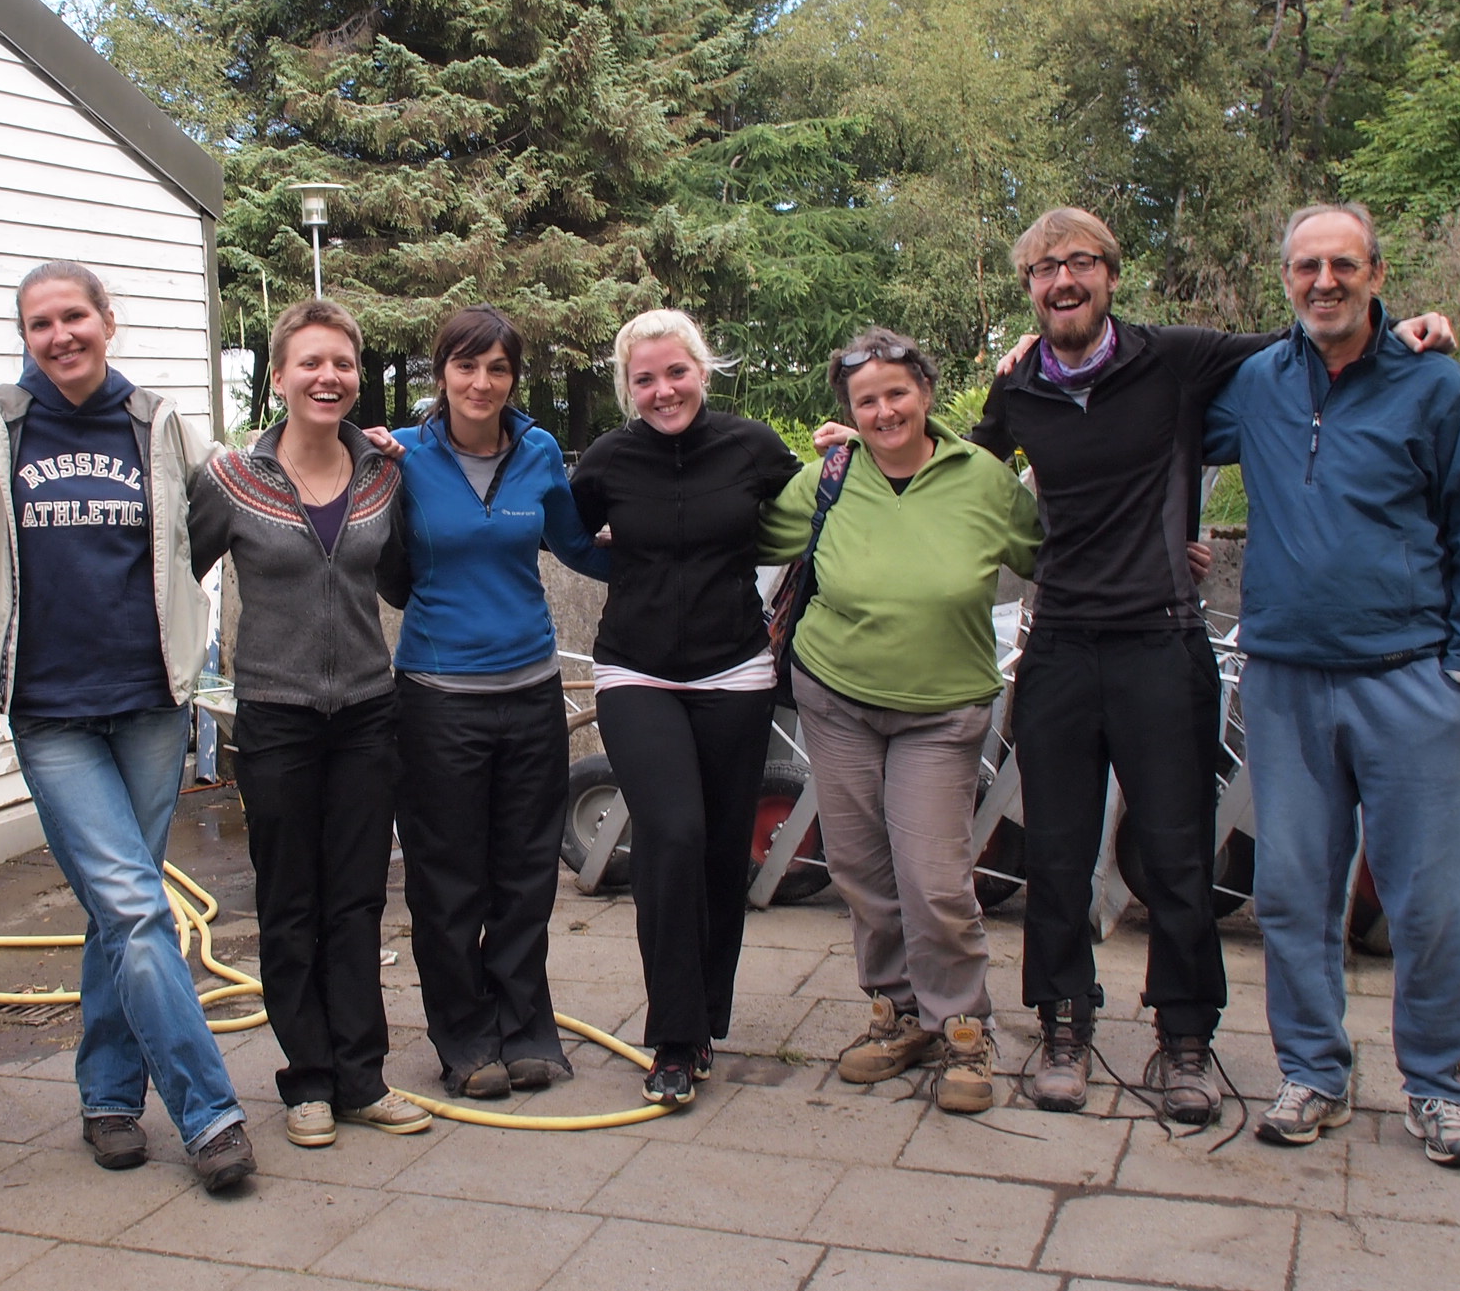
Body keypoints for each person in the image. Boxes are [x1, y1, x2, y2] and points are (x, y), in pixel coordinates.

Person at [961, 208, 1456, 1123]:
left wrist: (1406, 330)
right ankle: (1063, 1026)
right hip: (1061, 644)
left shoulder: (1178, 358)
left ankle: (1185, 1038)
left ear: (1112, 275)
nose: (1064, 281)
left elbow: (1311, 343)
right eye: (1044, 268)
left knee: (1176, 856)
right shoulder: (1018, 385)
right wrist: (854, 455)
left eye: (1081, 263)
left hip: (1162, 642)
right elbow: (960, 475)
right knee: (1058, 854)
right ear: (1028, 287)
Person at [1205, 203, 1460, 1168]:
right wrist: (1034, 368)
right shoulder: (1258, 384)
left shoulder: (1439, 388)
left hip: (1411, 680)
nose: (1324, 282)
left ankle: (1438, 1089)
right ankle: (1314, 1073)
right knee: (1293, 895)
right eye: (1306, 267)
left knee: (1426, 904)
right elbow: (1142, 418)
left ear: (1377, 274)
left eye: (1343, 264)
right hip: (1289, 679)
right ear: (1286, 280)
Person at [0, 263, 256, 1194]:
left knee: (122, 910)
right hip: (52, 714)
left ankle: (110, 1096)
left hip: (151, 704)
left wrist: (371, 447)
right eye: (40, 323)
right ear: (24, 337)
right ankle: (209, 1112)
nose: (60, 335)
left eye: (74, 315)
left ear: (107, 321)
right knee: (134, 906)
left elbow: (232, 501)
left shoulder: (158, 423)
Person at [764, 330, 1041, 1112]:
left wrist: (1170, 549)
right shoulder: (829, 476)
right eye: (867, 400)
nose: (884, 410)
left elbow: (1050, 553)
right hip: (837, 699)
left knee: (934, 879)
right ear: (848, 412)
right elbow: (742, 532)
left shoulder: (983, 478)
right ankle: (899, 1013)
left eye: (896, 393)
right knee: (860, 870)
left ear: (925, 391)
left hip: (941, 712)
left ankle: (964, 1028)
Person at [189, 298, 431, 1146]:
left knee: (358, 899)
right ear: (281, 377)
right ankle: (308, 1082)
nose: (328, 377)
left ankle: (362, 1076)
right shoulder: (232, 479)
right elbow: (174, 573)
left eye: (343, 364)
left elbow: (402, 579)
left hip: (366, 712)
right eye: (311, 363)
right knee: (290, 900)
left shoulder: (382, 476)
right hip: (276, 717)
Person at [372, 306, 609, 1099]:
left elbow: (576, 547)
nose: (481, 382)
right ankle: (465, 1039)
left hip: (531, 692)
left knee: (527, 872)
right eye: (465, 365)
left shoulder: (538, 453)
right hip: (438, 699)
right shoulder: (401, 456)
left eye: (498, 368)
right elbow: (364, 545)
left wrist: (677, 554)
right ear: (441, 372)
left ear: (514, 377)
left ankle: (527, 1028)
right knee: (447, 880)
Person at [568, 309, 801, 1106]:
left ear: (703, 370)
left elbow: (819, 515)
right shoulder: (608, 459)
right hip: (636, 670)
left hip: (735, 669)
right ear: (626, 387)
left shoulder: (753, 447)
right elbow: (569, 536)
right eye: (645, 379)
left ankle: (703, 1022)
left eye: (676, 372)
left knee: (721, 850)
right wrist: (633, 573)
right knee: (672, 834)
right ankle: (671, 1036)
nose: (663, 390)